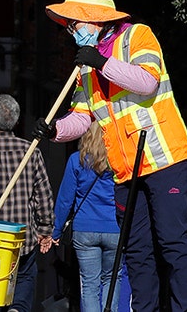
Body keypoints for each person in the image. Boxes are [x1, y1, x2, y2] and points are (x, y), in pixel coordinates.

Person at [35, 0, 187, 312]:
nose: (70, 32)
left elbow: (147, 82)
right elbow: (81, 119)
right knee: (137, 251)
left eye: (74, 24)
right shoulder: (85, 70)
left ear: (95, 21)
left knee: (172, 243)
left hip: (164, 159)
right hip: (125, 170)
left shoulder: (137, 37)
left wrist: (101, 62)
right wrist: (54, 130)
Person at [0, 93, 54, 312]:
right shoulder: (31, 151)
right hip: (21, 240)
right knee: (24, 282)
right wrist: (45, 230)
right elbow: (43, 195)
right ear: (17, 122)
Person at [45, 121, 128, 312]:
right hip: (115, 228)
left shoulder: (76, 160)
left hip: (84, 230)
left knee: (89, 285)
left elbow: (65, 199)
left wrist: (56, 231)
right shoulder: (118, 160)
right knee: (112, 279)